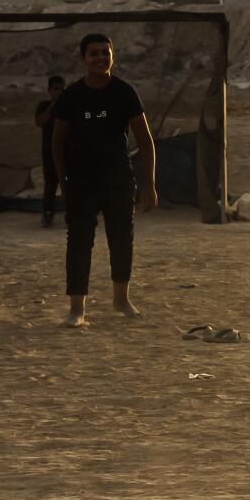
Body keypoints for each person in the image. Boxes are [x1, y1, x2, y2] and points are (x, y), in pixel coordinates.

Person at [52, 34, 157, 328]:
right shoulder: (71, 96)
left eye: (105, 52)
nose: (100, 58)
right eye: (94, 53)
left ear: (113, 56)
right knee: (79, 241)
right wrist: (63, 182)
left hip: (118, 178)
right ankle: (77, 309)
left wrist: (149, 184)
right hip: (82, 180)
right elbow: (57, 143)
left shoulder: (124, 92)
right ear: (83, 59)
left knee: (122, 237)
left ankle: (121, 300)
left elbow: (145, 141)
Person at [34, 74, 65, 228]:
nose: (58, 92)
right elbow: (40, 122)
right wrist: (53, 105)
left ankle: (71, 214)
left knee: (68, 182)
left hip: (66, 151)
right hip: (49, 151)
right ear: (49, 90)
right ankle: (47, 213)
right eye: (55, 89)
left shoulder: (68, 106)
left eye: (61, 89)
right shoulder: (44, 105)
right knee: (50, 183)